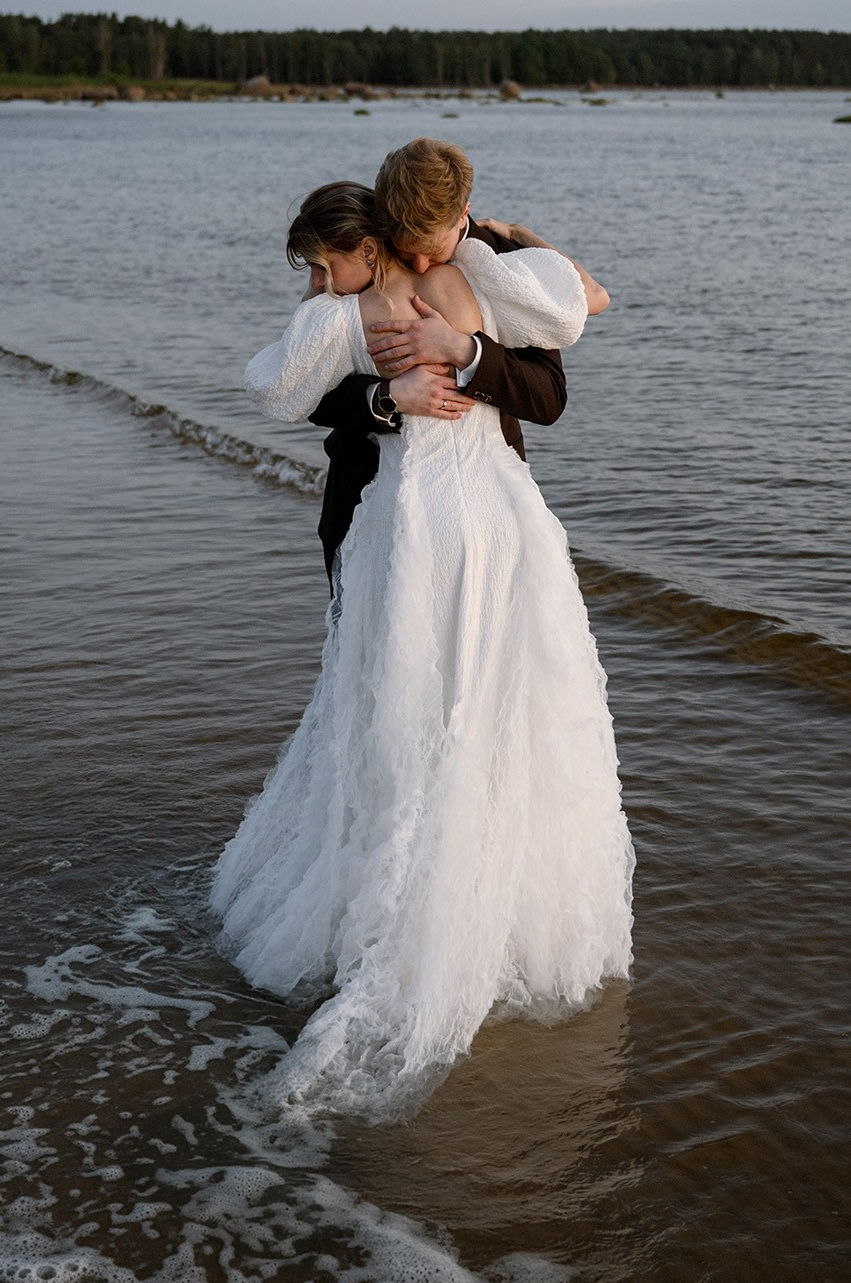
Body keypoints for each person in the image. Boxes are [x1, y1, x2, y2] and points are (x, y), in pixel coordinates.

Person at [209, 173, 634, 1116]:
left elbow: (547, 389)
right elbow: (589, 299)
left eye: (326, 268)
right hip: (412, 518)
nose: (319, 284)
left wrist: (468, 349)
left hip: (451, 527)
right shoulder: (473, 271)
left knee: (474, 709)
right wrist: (384, 393)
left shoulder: (473, 269)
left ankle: (441, 906)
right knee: (385, 705)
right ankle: (400, 901)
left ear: (370, 244)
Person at [310, 137, 607, 588]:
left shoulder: (506, 264)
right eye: (406, 248)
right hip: (363, 510)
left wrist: (465, 351)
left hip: (481, 523)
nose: (423, 264)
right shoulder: (360, 255)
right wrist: (384, 397)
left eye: (434, 246)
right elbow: (308, 385)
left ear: (463, 211)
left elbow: (548, 398)